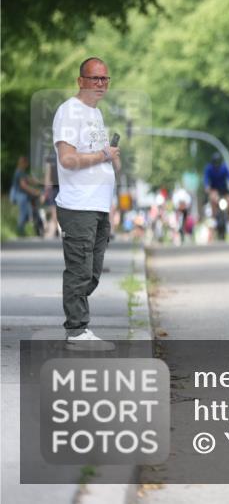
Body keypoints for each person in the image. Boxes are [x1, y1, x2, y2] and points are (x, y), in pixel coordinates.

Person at [52, 57, 119, 350]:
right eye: (94, 79)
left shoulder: (96, 114)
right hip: (78, 205)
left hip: (98, 205)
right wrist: (103, 156)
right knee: (79, 269)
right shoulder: (69, 112)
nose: (100, 84)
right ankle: (77, 331)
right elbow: (68, 159)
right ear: (81, 81)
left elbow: (99, 156)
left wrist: (112, 158)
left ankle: (78, 325)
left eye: (105, 79)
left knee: (92, 272)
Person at [203, 152, 229, 241]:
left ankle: (228, 217)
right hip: (214, 190)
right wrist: (206, 187)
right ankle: (214, 216)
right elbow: (206, 179)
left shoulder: (224, 168)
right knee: (213, 199)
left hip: (224, 190)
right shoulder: (209, 168)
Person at [10, 156, 42, 236]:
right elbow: (23, 185)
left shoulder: (22, 172)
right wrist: (34, 191)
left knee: (27, 213)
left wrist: (40, 182)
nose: (27, 165)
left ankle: (21, 231)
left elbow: (29, 180)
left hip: (23, 196)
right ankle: (19, 232)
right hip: (20, 195)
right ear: (23, 163)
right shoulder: (19, 172)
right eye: (26, 163)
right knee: (24, 213)